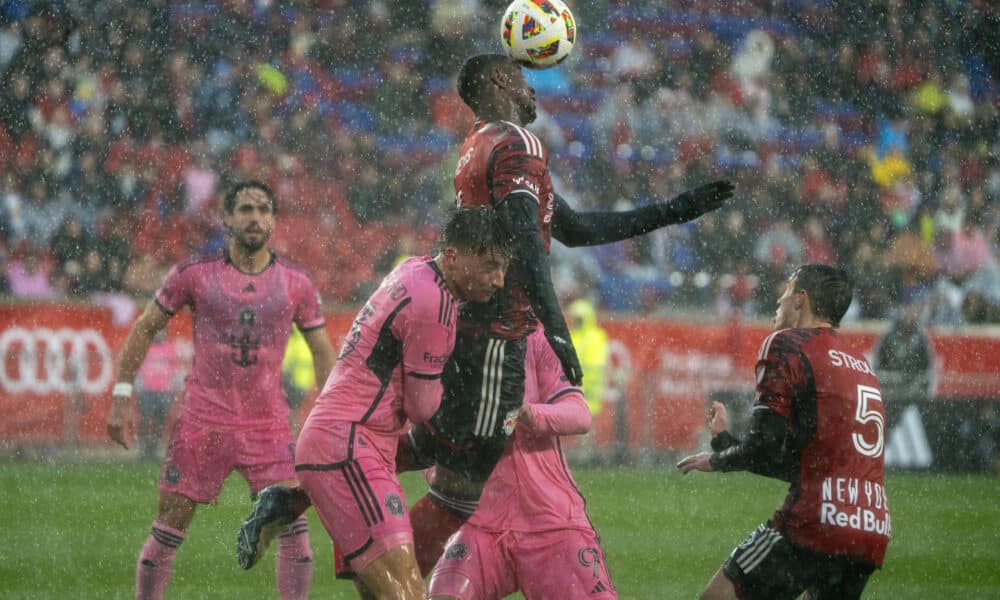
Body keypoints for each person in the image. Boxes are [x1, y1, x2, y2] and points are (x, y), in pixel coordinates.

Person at [236, 52, 734, 578]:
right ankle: (382, 573)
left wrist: (676, 210)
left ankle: (296, 499)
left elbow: (574, 227)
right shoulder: (518, 143)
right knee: (462, 486)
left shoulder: (481, 146)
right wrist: (557, 332)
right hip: (497, 336)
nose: (533, 89)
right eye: (523, 78)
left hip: (467, 328)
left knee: (439, 444)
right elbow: (526, 241)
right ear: (499, 81)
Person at [105, 181, 337, 600]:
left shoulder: (296, 282)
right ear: (227, 218)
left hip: (268, 425)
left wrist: (335, 411)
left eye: (264, 210)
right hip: (202, 421)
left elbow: (321, 348)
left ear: (273, 220)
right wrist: (121, 395)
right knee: (168, 529)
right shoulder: (196, 273)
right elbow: (145, 328)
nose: (255, 217)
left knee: (295, 532)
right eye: (246, 209)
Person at [287, 207, 511, 599]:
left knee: (389, 592)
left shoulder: (413, 269)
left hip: (345, 439)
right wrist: (465, 416)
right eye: (490, 265)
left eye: (503, 268)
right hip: (351, 443)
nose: (499, 280)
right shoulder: (436, 304)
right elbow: (423, 408)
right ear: (455, 256)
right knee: (405, 594)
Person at [677, 265, 891, 600]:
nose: (779, 298)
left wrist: (717, 458)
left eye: (788, 289)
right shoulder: (859, 362)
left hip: (816, 520)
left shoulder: (786, 343)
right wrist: (728, 444)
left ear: (800, 301)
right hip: (870, 528)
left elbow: (764, 446)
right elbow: (798, 465)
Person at [427, 327, 616, 599]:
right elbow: (422, 418)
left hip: (549, 520)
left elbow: (580, 415)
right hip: (480, 521)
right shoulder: (443, 335)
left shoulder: (535, 337)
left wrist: (527, 413)